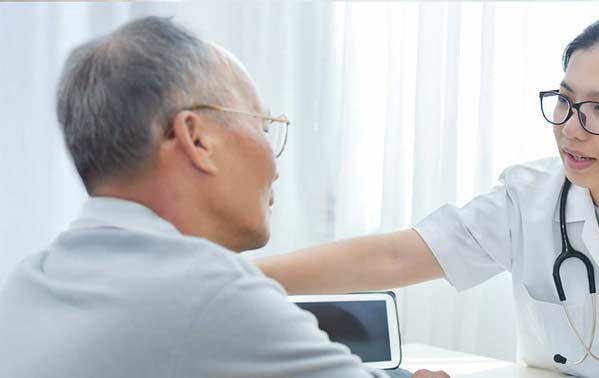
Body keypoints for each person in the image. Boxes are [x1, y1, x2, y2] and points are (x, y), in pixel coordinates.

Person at [256, 9, 599, 378]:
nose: (570, 128)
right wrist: (240, 277)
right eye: (565, 101)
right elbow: (398, 255)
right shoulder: (529, 197)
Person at [0, 16, 446, 378]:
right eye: (263, 126)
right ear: (196, 139)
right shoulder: (210, 294)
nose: (274, 166)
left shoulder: (29, 283)